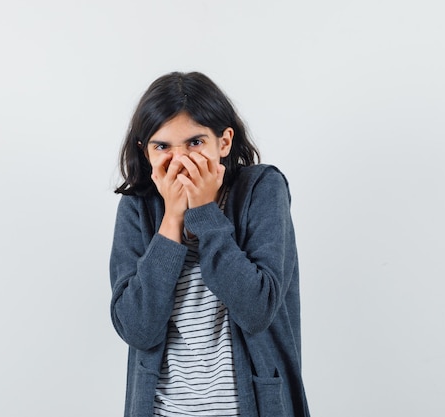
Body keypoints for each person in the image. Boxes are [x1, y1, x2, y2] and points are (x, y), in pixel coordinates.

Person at [109, 71, 310, 417]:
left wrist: (203, 212)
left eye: (195, 142)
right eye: (162, 146)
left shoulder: (262, 190)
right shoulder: (137, 207)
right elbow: (137, 328)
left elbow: (257, 309)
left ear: (225, 142)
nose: (181, 160)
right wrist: (172, 218)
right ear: (146, 153)